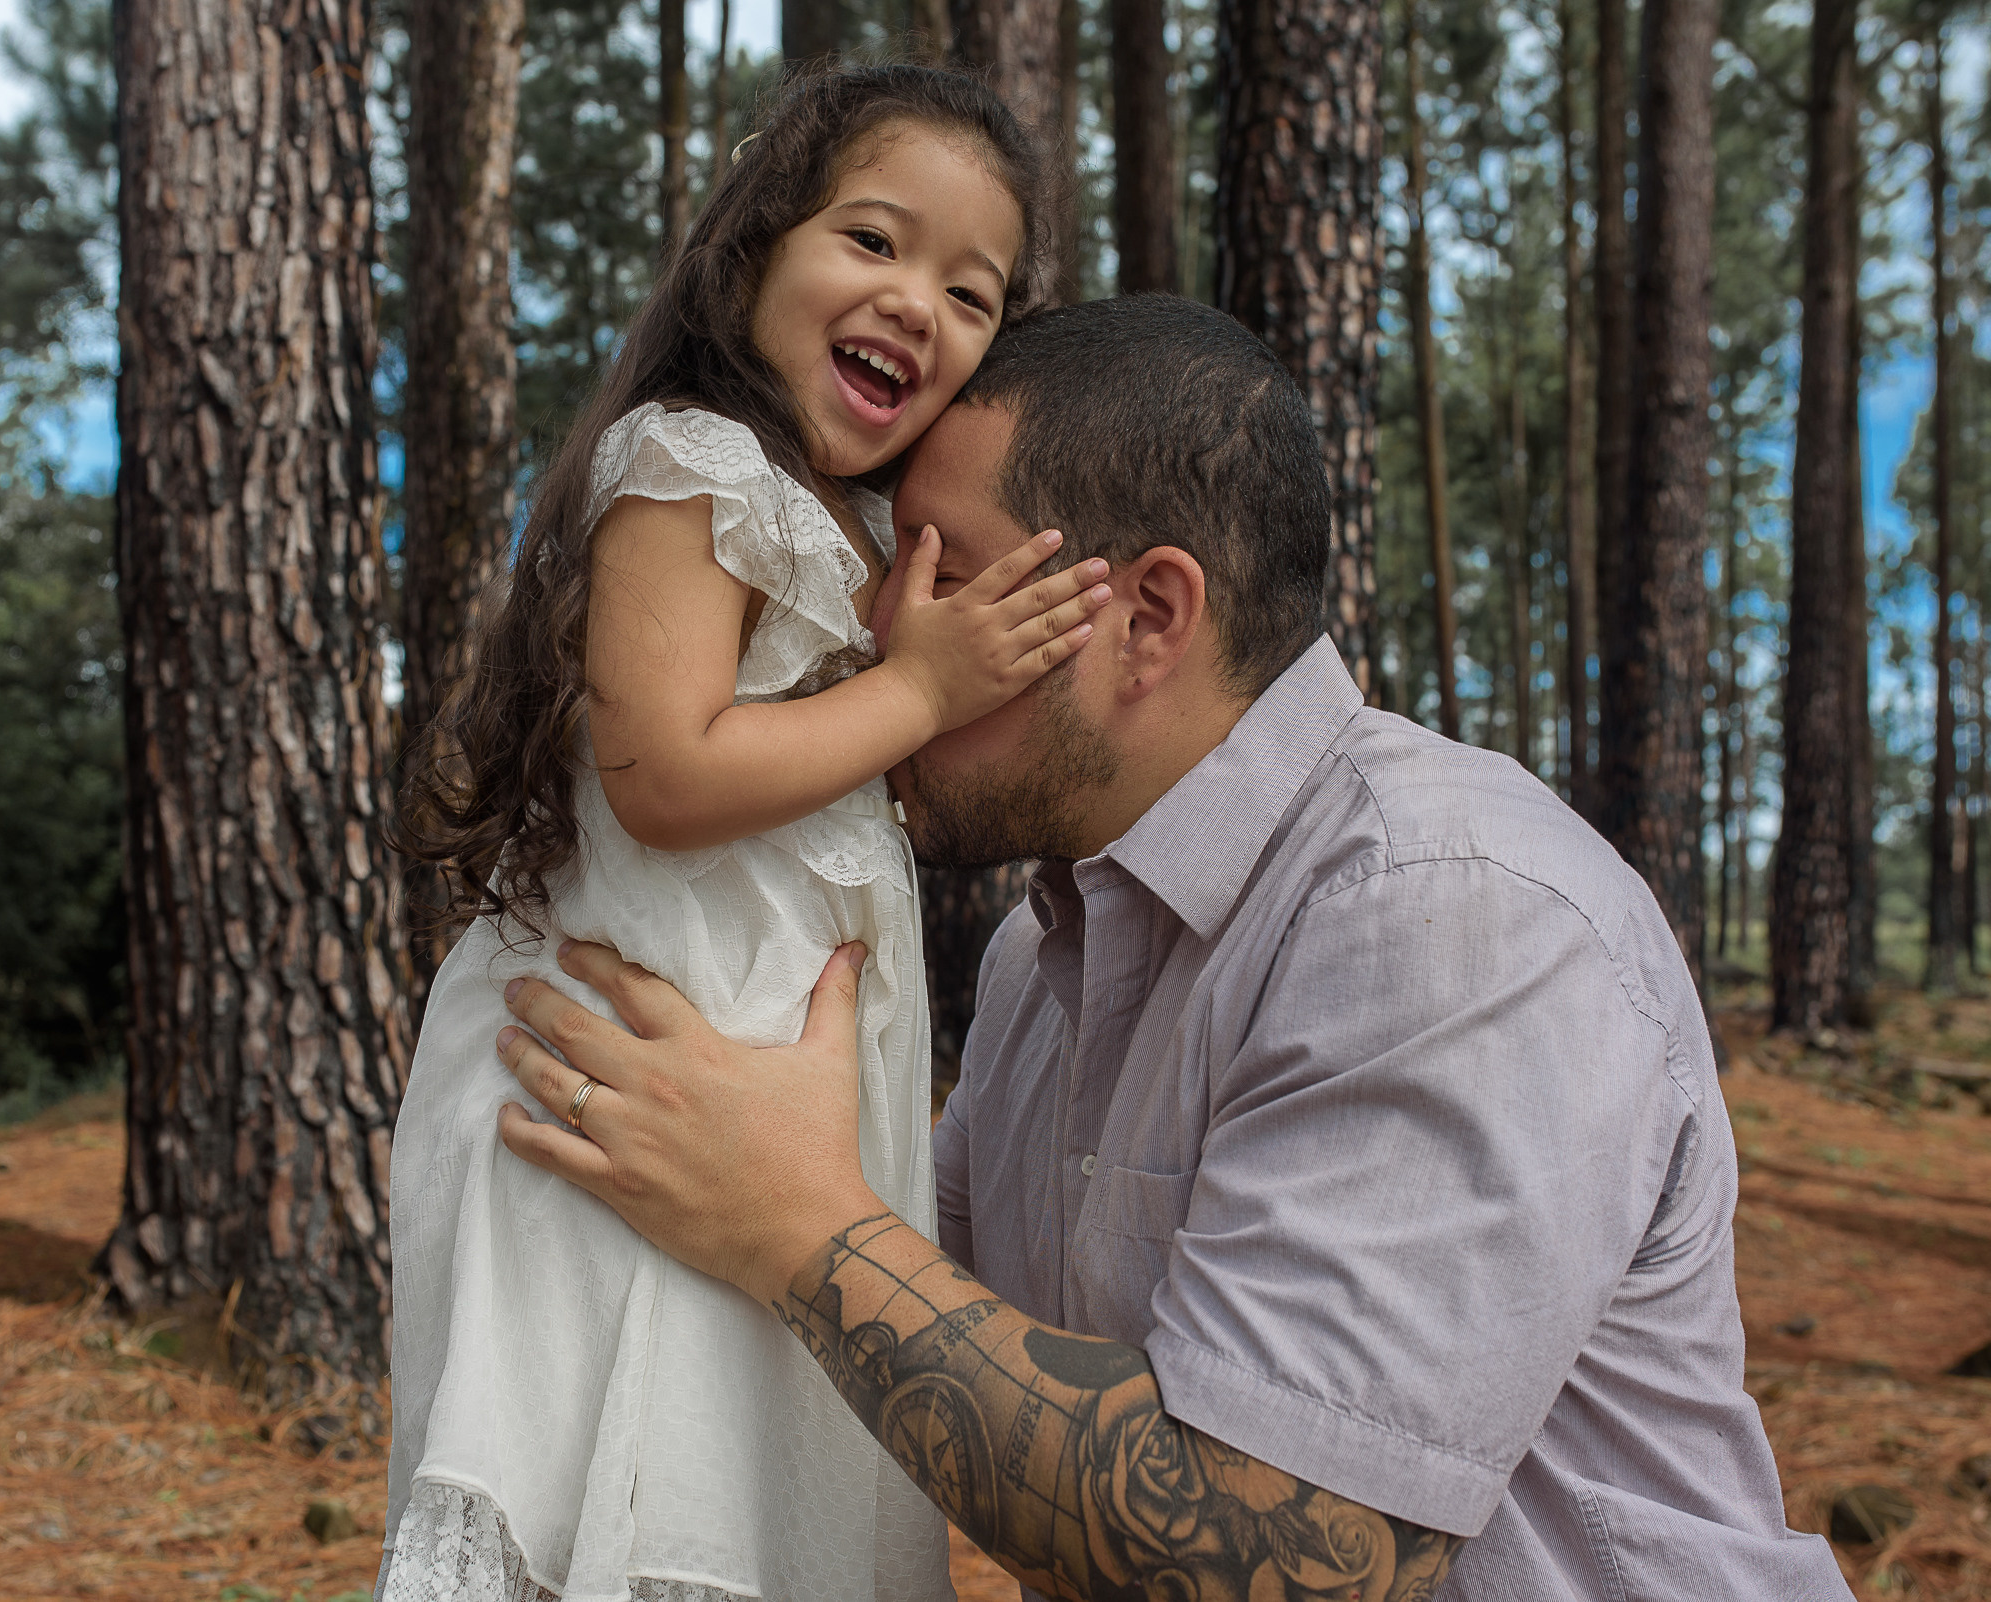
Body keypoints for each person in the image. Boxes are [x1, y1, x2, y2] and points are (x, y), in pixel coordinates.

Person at [490, 296, 1856, 1600]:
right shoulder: (1040, 960)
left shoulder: (1453, 908)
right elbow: (920, 1350)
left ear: (1146, 619)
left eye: (944, 572)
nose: (878, 638)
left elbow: (1280, 1549)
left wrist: (797, 1223)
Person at [378, 65, 1114, 1602]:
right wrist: (917, 685)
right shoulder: (691, 463)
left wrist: (919, 685)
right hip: (616, 1105)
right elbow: (669, 772)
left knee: (756, 1490)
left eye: (970, 291)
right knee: (639, 1483)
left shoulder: (837, 529)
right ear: (753, 249)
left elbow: (818, 805)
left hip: (746, 1130)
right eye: (873, 241)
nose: (917, 302)